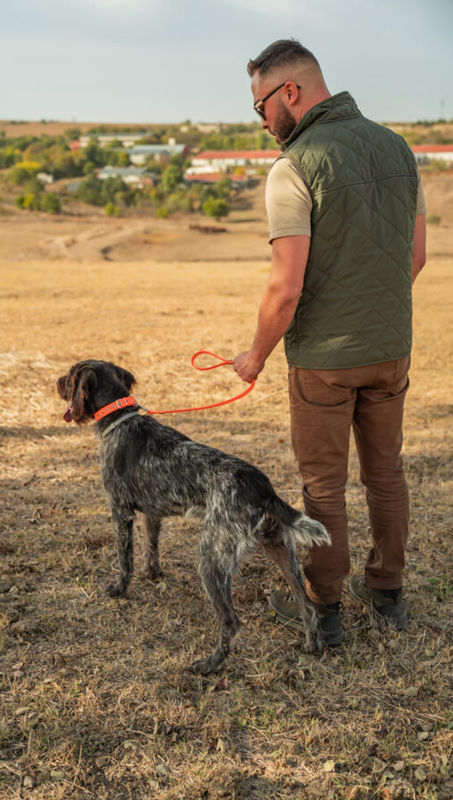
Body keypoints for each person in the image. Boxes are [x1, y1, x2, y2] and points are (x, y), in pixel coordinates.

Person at [233, 39, 427, 645]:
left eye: (260, 106)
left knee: (323, 488)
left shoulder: (293, 166)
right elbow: (415, 257)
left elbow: (285, 287)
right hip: (391, 349)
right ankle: (388, 593)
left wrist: (255, 357)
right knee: (386, 473)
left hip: (323, 360)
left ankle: (323, 606)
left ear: (289, 92)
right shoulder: (398, 148)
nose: (262, 121)